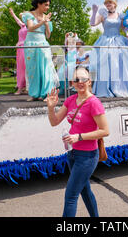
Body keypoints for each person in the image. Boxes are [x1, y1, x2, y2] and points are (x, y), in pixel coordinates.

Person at [46, 66, 109, 217]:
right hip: (72, 153)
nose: (80, 82)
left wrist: (79, 137)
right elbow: (54, 122)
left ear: (89, 81)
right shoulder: (70, 100)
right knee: (85, 190)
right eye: (76, 80)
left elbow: (105, 131)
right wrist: (50, 108)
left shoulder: (94, 103)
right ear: (72, 83)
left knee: (70, 196)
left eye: (83, 79)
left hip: (87, 156)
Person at [89, 0, 128, 97]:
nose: (108, 5)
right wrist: (94, 12)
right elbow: (93, 24)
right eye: (106, 3)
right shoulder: (103, 15)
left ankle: (119, 87)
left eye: (110, 2)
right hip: (105, 41)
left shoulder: (120, 15)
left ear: (115, 4)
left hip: (118, 41)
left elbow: (124, 28)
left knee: (119, 64)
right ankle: (104, 88)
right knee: (105, 63)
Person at [23, 0, 59, 101]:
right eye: (46, 5)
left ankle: (47, 94)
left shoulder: (46, 18)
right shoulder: (28, 15)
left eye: (48, 5)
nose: (48, 7)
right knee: (33, 69)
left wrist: (47, 24)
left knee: (46, 68)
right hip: (30, 44)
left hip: (43, 44)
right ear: (39, 4)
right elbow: (30, 28)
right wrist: (42, 22)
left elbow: (48, 35)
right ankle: (34, 94)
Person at [9, 7, 28, 95]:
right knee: (20, 68)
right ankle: (21, 87)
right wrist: (13, 14)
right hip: (20, 49)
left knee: (26, 67)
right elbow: (17, 21)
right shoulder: (23, 26)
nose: (22, 19)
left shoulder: (31, 27)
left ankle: (25, 87)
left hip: (26, 48)